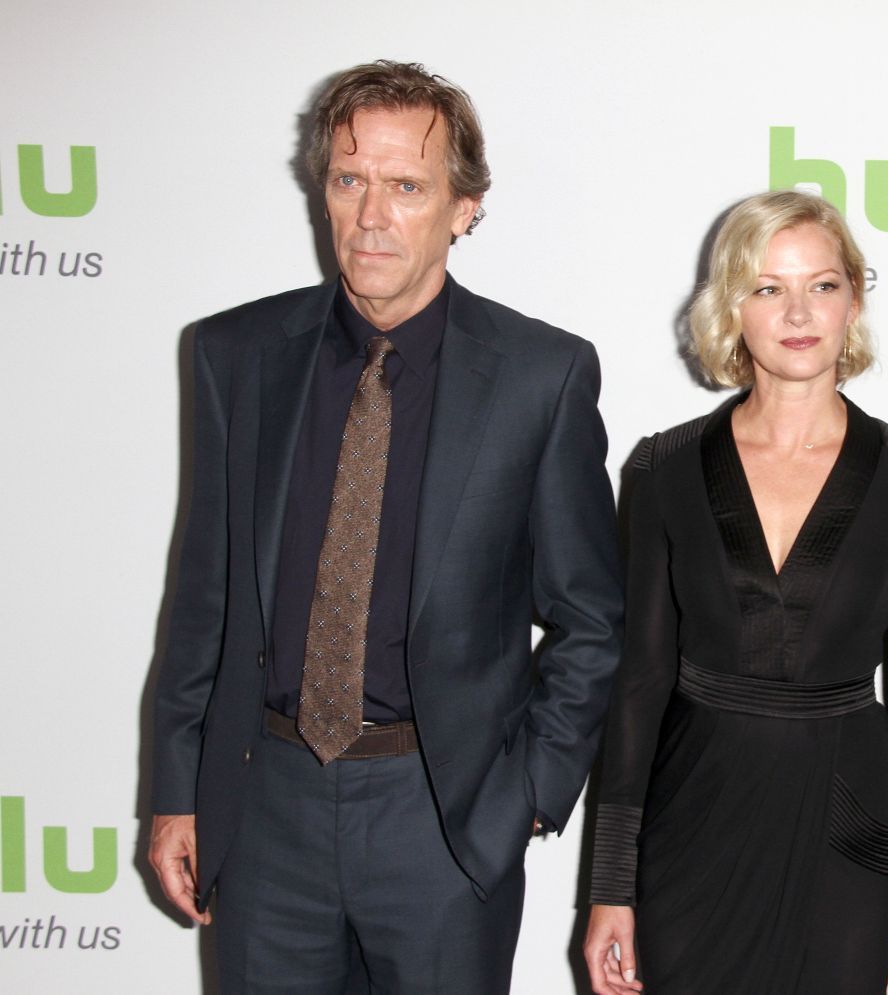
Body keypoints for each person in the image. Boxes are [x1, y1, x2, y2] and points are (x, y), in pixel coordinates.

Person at [146, 60, 624, 993]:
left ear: (464, 208)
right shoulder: (235, 355)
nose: (371, 215)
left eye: (407, 186)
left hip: (441, 816)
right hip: (267, 804)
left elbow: (591, 618)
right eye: (349, 179)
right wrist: (176, 788)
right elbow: (205, 590)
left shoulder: (542, 375)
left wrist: (525, 795)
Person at [582, 190, 888, 995]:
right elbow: (639, 680)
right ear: (732, 306)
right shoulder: (663, 470)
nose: (797, 312)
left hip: (852, 827)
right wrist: (610, 882)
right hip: (692, 818)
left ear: (854, 299)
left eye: (821, 285)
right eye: (767, 287)